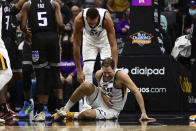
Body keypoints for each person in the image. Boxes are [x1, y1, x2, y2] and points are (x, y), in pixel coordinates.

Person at [53, 58, 156, 121]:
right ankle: (65, 109)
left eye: (109, 73)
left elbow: (136, 91)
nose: (106, 75)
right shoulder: (99, 74)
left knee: (86, 114)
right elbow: (100, 87)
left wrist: (143, 112)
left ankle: (70, 116)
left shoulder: (121, 76)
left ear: (114, 69)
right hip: (101, 100)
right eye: (105, 72)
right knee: (86, 85)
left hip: (112, 109)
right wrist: (104, 96)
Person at [20, 0, 65, 122]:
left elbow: (23, 26)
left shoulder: (27, 4)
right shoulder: (54, 4)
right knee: (55, 72)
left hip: (38, 39)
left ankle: (41, 110)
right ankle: (61, 107)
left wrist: (26, 34)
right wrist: (59, 35)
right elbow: (60, 24)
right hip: (52, 38)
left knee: (40, 75)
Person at [73, 7, 118, 84]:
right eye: (90, 24)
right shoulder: (79, 20)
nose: (93, 26)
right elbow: (76, 45)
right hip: (89, 40)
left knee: (107, 69)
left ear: (98, 18)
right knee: (87, 69)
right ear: (86, 18)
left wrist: (114, 68)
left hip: (104, 39)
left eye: (95, 23)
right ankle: (88, 95)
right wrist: (79, 70)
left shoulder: (106, 19)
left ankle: (106, 93)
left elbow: (113, 45)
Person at [0, 0, 13, 123]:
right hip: (2, 41)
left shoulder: (6, 5)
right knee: (6, 73)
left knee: (6, 73)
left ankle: (3, 107)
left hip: (4, 41)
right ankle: (3, 108)